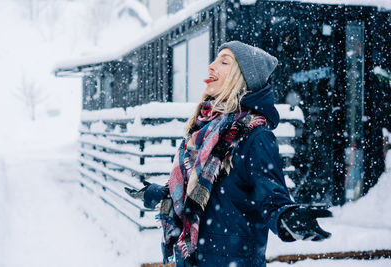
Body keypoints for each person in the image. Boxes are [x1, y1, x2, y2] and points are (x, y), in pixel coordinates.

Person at [125, 40, 332, 267]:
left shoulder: (254, 136)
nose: (212, 66)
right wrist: (161, 193)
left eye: (224, 61)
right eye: (215, 59)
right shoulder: (204, 130)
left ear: (241, 78)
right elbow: (203, 192)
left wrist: (286, 215)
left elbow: (270, 195)